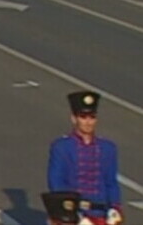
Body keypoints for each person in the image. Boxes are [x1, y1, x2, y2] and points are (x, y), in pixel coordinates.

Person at [48, 91, 121, 225]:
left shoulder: (108, 148)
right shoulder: (61, 147)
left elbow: (111, 182)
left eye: (92, 117)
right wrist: (73, 213)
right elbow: (56, 182)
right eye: (83, 117)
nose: (88, 122)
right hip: (71, 212)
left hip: (100, 212)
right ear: (74, 119)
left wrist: (115, 207)